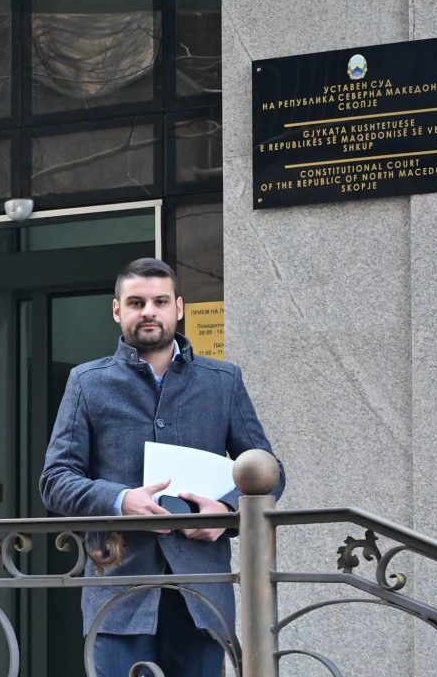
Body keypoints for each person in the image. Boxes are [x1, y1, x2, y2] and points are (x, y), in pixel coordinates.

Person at [39, 258, 286, 677]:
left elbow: (268, 473)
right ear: (117, 310)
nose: (148, 311)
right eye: (136, 302)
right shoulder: (87, 382)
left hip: (201, 594)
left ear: (179, 308)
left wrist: (225, 512)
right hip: (118, 589)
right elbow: (55, 480)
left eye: (160, 301)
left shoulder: (222, 380)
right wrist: (121, 500)